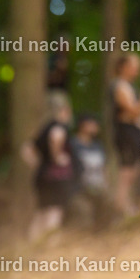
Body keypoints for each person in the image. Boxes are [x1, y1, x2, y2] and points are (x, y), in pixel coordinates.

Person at [22, 92, 76, 238]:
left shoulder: (44, 128)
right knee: (55, 211)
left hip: (42, 176)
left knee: (41, 212)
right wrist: (57, 157)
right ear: (64, 109)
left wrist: (38, 164)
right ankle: (51, 246)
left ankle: (32, 244)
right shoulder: (59, 126)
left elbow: (26, 150)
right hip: (56, 178)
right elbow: (56, 136)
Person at [110, 53, 140, 218]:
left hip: (133, 133)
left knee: (134, 170)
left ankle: (127, 206)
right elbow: (134, 112)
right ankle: (121, 208)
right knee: (127, 172)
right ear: (123, 67)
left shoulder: (128, 86)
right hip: (126, 133)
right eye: (134, 66)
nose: (137, 71)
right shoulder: (119, 86)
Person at [68, 113, 109, 230]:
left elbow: (103, 167)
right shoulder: (73, 145)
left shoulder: (97, 146)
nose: (97, 127)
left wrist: (106, 183)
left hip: (99, 188)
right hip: (80, 189)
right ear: (84, 125)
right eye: (93, 124)